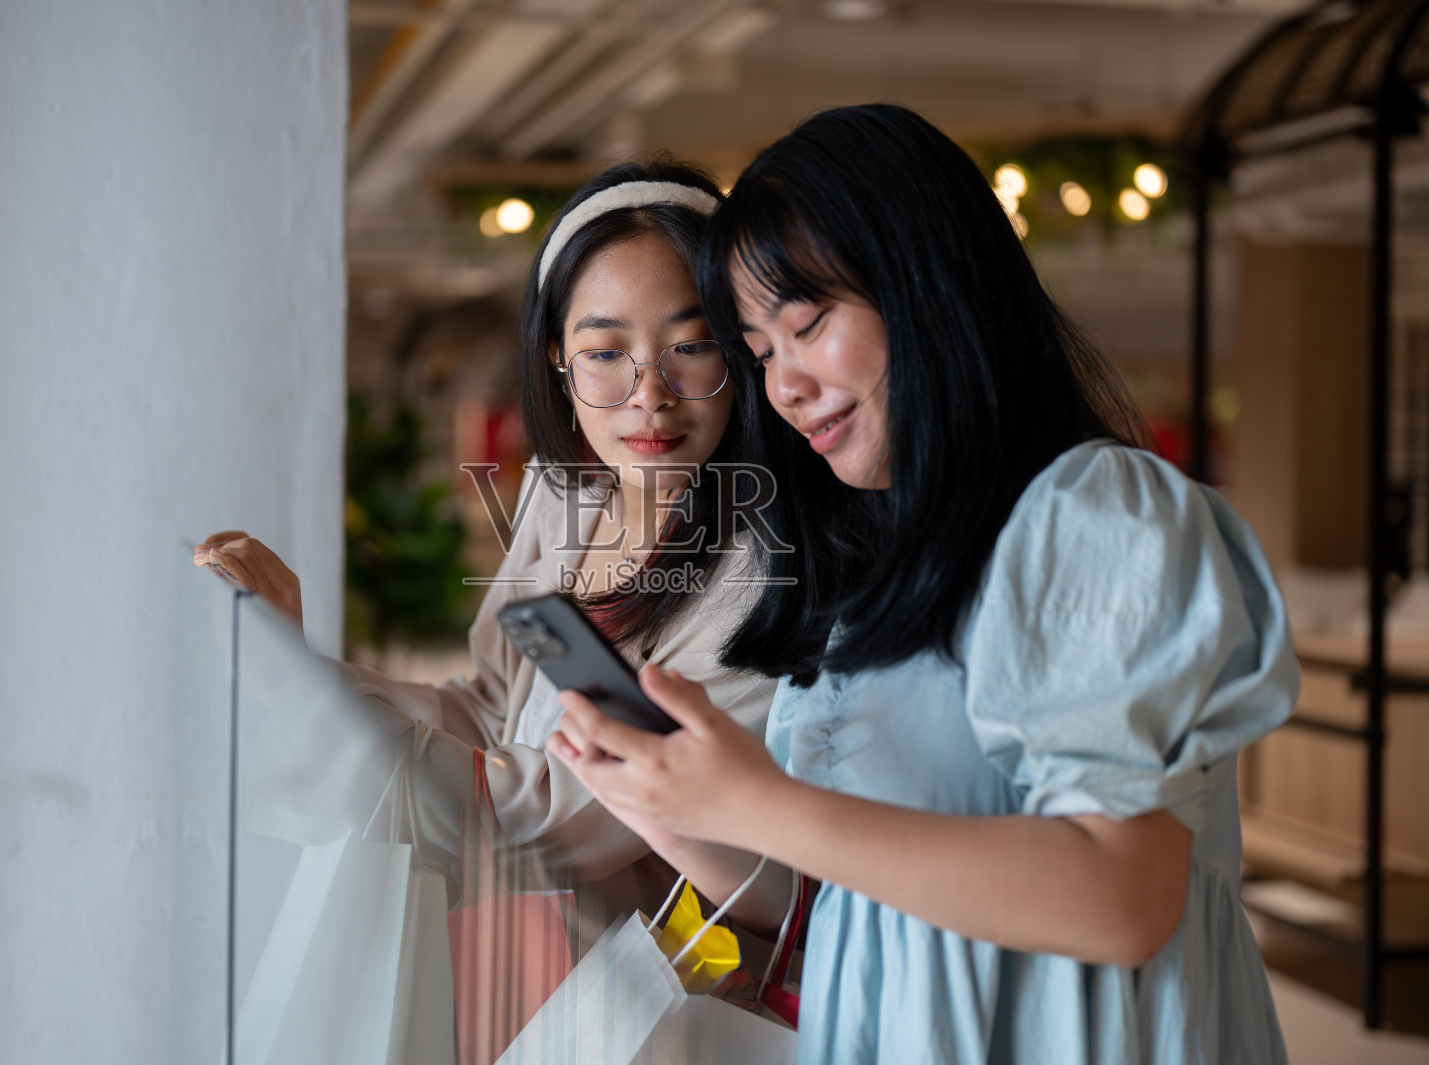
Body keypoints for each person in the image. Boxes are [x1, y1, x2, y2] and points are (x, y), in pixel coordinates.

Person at [550, 104, 1298, 1064]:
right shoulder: (878, 567)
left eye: (807, 324)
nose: (783, 388)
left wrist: (756, 803)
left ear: (925, 283)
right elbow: (858, 893)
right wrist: (670, 800)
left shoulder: (1095, 513)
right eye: (762, 353)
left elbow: (1122, 898)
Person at [196, 158, 778, 935]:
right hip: (509, 946)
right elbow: (495, 709)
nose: (650, 394)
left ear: (741, 350)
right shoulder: (563, 493)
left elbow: (556, 817)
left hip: (636, 988)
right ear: (555, 358)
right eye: (606, 352)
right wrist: (310, 681)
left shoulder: (759, 582)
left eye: (691, 346)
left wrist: (310, 707)